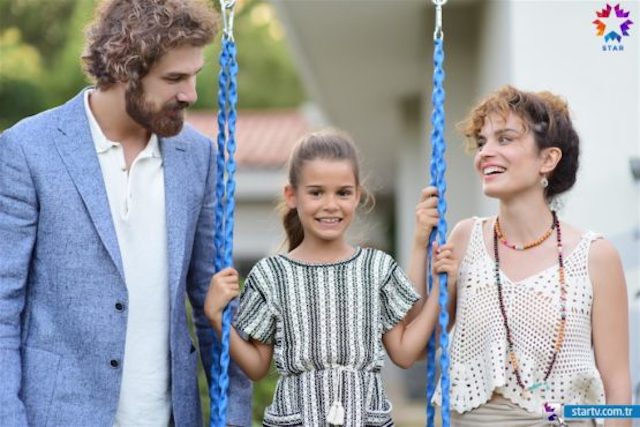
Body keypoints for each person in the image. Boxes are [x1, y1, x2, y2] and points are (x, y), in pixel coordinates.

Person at [0, 0, 251, 425]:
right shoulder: (27, 150)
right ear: (123, 70)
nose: (190, 93)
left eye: (194, 76)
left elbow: (217, 312)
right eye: (174, 78)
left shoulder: (199, 157)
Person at [204, 130, 456, 426]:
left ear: (358, 196)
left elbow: (404, 352)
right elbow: (257, 367)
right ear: (292, 196)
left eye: (343, 193)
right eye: (316, 192)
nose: (330, 205)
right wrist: (216, 317)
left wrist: (441, 286)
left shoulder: (375, 268)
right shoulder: (271, 275)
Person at [430, 86, 631, 426]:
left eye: (504, 139)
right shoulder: (465, 238)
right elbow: (420, 347)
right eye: (482, 142)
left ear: (548, 159)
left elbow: (618, 390)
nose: (485, 153)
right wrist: (428, 260)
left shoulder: (596, 256)